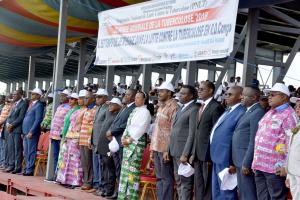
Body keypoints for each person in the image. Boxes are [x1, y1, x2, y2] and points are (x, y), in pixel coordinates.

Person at [252, 83, 297, 200]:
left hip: (274, 168)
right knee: (262, 197)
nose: (269, 97)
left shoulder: (289, 115)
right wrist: (255, 160)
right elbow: (259, 137)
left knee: (276, 197)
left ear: (283, 97)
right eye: (268, 94)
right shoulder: (270, 112)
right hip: (260, 164)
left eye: (272, 95)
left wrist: (284, 165)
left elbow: (289, 143)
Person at [190, 81, 224, 200]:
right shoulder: (202, 106)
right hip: (198, 152)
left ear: (210, 91)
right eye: (199, 88)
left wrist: (211, 153)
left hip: (207, 153)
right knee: (198, 183)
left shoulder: (216, 107)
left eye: (202, 89)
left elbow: (216, 133)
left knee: (207, 184)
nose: (199, 91)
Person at [210, 86, 246, 200]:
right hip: (217, 155)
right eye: (226, 94)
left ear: (241, 96)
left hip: (227, 158)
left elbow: (237, 139)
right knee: (217, 190)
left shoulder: (241, 112)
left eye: (230, 94)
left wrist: (232, 161)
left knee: (227, 192)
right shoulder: (228, 110)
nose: (226, 96)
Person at [232, 86, 265, 200]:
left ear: (254, 97)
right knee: (243, 192)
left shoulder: (258, 112)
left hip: (245, 160)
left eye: (244, 95)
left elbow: (254, 140)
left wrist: (246, 163)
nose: (241, 97)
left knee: (248, 193)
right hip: (239, 158)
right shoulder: (249, 110)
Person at [166, 85, 199, 200]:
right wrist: (168, 149)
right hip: (175, 150)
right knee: (179, 181)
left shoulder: (194, 109)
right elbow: (173, 130)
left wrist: (186, 153)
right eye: (180, 93)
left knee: (185, 183)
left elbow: (192, 133)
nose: (180, 95)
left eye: (183, 93)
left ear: (191, 96)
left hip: (183, 152)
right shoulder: (181, 108)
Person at [118, 91, 151, 200]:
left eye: (138, 98)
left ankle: (131, 196)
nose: (136, 99)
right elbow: (128, 126)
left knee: (133, 171)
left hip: (136, 143)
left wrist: (130, 139)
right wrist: (123, 137)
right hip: (127, 142)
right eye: (135, 97)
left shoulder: (145, 112)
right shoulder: (135, 110)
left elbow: (141, 129)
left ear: (144, 100)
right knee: (125, 171)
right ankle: (123, 195)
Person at [106, 89, 136, 199]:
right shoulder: (125, 107)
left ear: (133, 97)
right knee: (115, 168)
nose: (125, 96)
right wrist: (110, 131)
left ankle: (119, 192)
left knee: (120, 169)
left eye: (128, 95)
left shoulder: (133, 109)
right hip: (115, 141)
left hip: (121, 141)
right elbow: (115, 122)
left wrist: (112, 131)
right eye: (125, 94)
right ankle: (116, 191)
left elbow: (124, 125)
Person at [150, 82, 179, 200]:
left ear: (169, 93)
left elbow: (174, 131)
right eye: (159, 91)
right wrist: (152, 148)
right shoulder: (161, 106)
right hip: (157, 146)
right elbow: (157, 129)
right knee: (159, 177)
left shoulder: (174, 107)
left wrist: (168, 149)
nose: (159, 93)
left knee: (166, 178)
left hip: (165, 149)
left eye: (162, 91)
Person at [96, 98, 122, 197]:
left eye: (113, 104)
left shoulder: (118, 116)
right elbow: (107, 105)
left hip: (109, 148)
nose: (110, 106)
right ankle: (105, 188)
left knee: (110, 169)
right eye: (110, 104)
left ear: (119, 106)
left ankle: (110, 190)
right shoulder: (108, 112)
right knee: (104, 168)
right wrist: (109, 103)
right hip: (102, 146)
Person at [56, 93, 82, 188]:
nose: (70, 101)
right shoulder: (71, 110)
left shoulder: (78, 110)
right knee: (66, 159)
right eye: (70, 99)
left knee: (75, 161)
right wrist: (64, 135)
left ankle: (75, 182)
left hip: (74, 138)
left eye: (72, 99)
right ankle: (65, 179)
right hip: (67, 136)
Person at [22, 88, 44, 176]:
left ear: (39, 96)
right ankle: (27, 167)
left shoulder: (39, 105)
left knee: (31, 151)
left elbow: (38, 119)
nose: (32, 95)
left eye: (34, 94)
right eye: (32, 94)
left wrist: (31, 131)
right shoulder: (31, 104)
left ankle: (30, 169)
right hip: (25, 131)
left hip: (32, 132)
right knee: (26, 151)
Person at [49, 89, 71, 178]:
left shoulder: (69, 107)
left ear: (68, 97)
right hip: (54, 135)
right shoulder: (59, 106)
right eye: (61, 96)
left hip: (61, 135)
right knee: (55, 155)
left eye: (63, 96)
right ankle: (55, 174)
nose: (61, 97)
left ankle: (59, 175)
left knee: (61, 156)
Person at [92, 89, 109, 192]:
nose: (97, 99)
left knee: (101, 164)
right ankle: (96, 183)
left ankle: (101, 185)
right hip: (94, 140)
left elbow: (105, 126)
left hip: (101, 142)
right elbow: (95, 125)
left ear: (105, 98)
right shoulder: (99, 108)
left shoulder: (107, 109)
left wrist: (100, 142)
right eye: (96, 97)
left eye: (99, 97)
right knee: (96, 164)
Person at [79, 90, 97, 191]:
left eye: (87, 98)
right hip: (82, 138)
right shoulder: (85, 110)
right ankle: (86, 180)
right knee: (84, 162)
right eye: (84, 98)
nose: (85, 100)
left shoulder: (94, 110)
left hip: (88, 140)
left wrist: (90, 139)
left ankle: (89, 182)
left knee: (88, 162)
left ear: (92, 99)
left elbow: (93, 126)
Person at [286, 97, 300, 199]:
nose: (297, 108)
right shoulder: (297, 125)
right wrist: (288, 175)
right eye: (296, 106)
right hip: (293, 171)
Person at [0, 95, 13, 170]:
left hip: (5, 128)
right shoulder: (4, 106)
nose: (7, 99)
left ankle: (4, 162)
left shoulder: (11, 106)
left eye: (9, 97)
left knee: (4, 147)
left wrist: (2, 123)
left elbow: (8, 117)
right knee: (1, 146)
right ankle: (2, 162)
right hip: (1, 128)